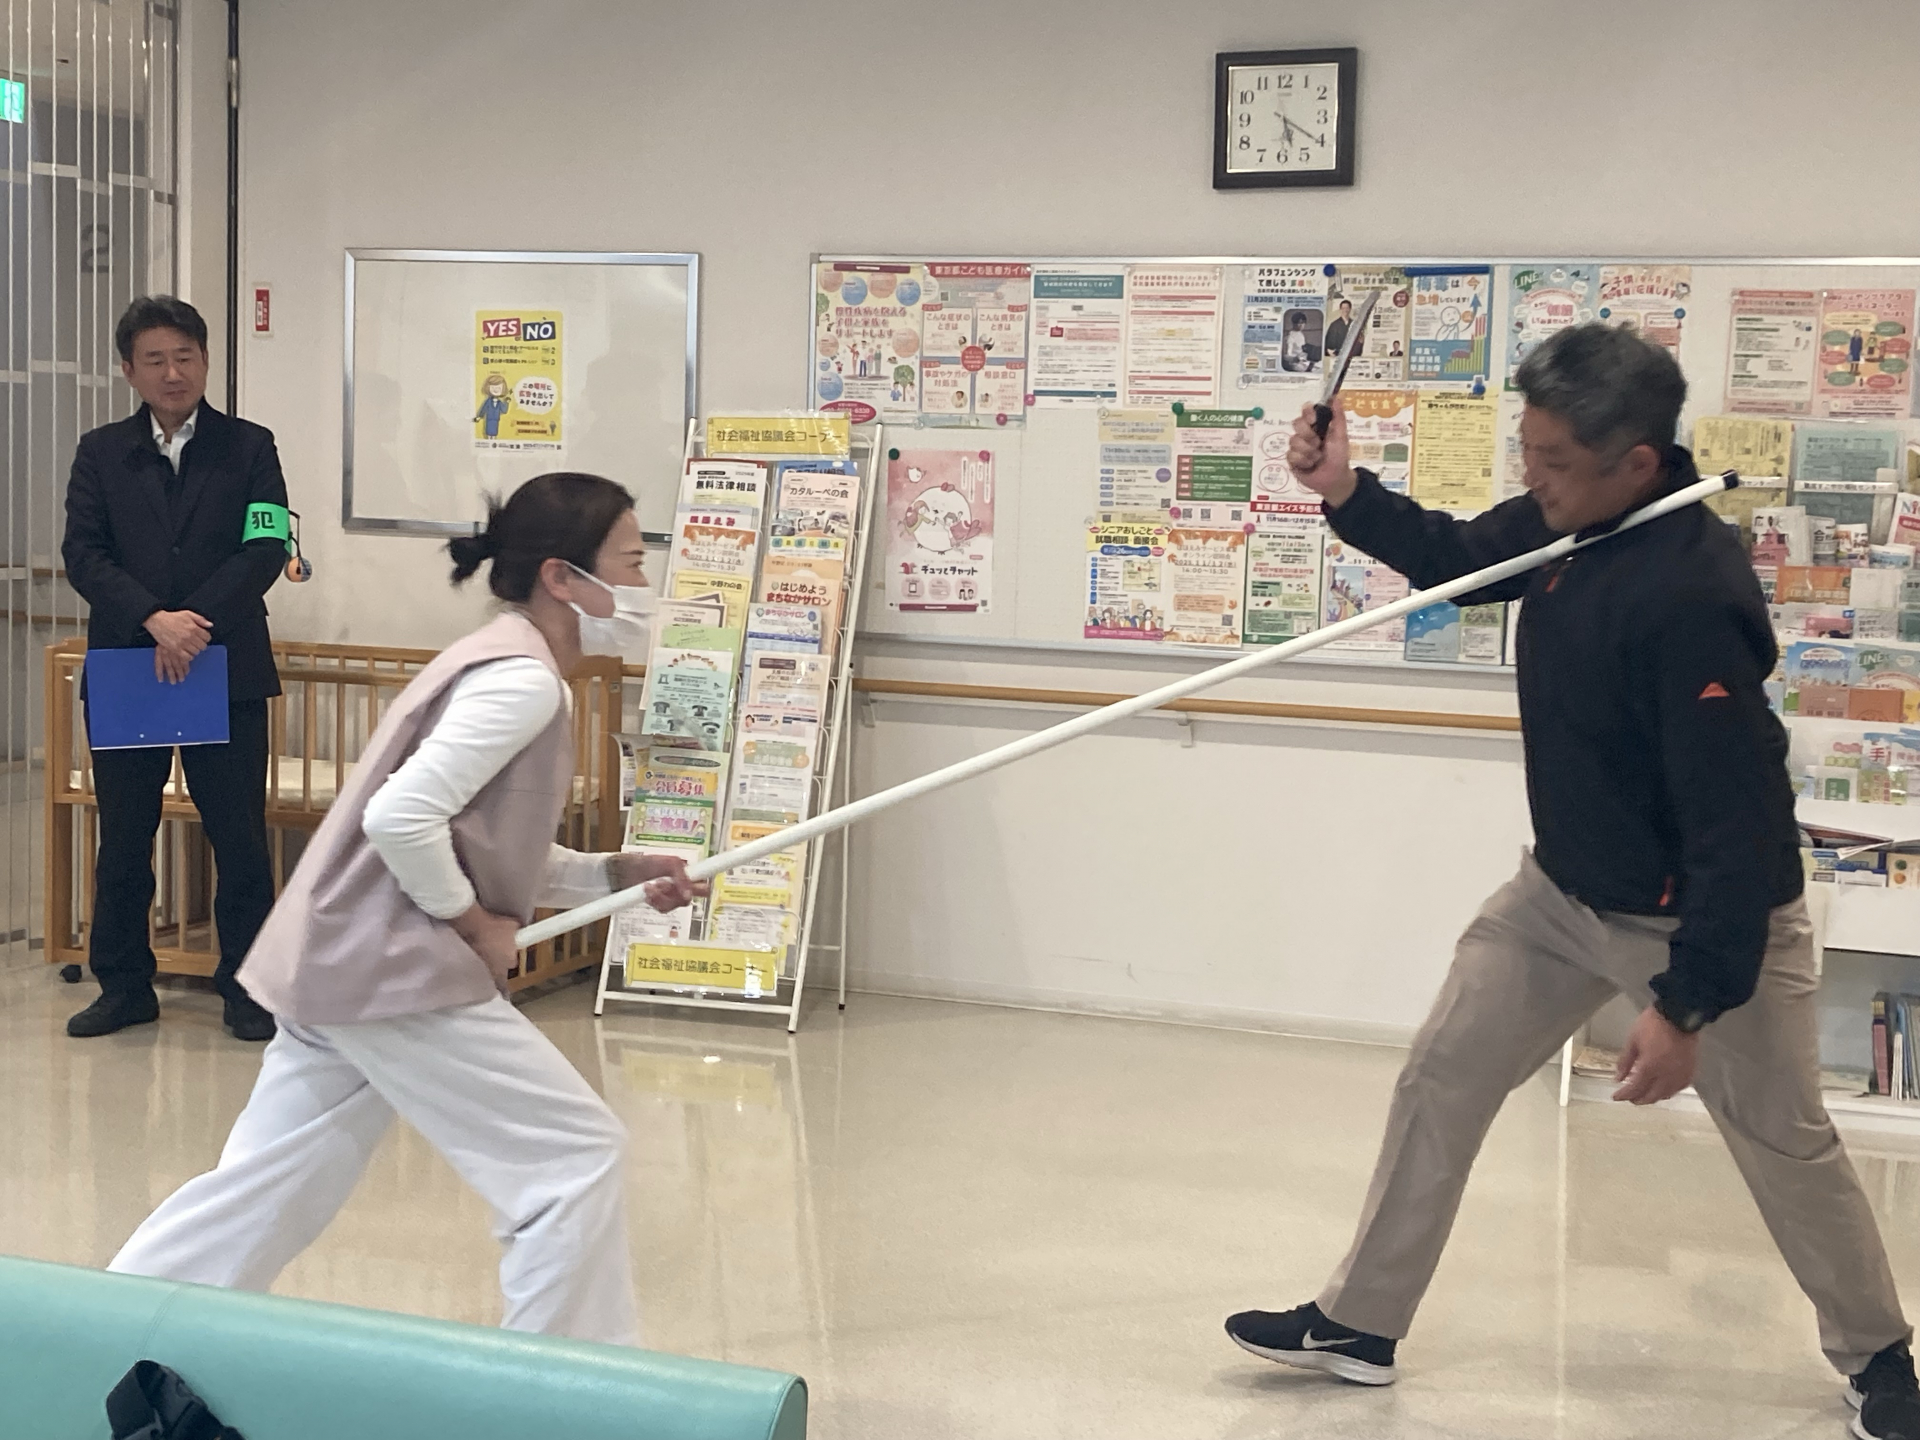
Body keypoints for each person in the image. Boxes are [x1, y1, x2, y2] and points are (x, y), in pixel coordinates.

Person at [1224, 324, 1920, 1440]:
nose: (1532, 477)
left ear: (1636, 460)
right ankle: (1361, 1324)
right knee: (1444, 1075)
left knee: (1785, 1141)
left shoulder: (1691, 593)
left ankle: (1879, 1353)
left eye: (1551, 460)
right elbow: (1459, 559)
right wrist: (1346, 489)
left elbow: (1736, 828)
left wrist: (1685, 1006)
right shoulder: (1573, 522)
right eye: (1528, 450)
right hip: (1559, 899)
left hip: (1707, 915)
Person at [107, 473, 703, 1345]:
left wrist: (616, 873)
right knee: (573, 1162)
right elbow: (401, 819)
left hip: (337, 957)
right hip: (395, 967)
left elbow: (477, 841)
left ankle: (113, 1335)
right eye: (630, 561)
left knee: (268, 1186)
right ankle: (561, 1386)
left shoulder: (497, 659)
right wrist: (475, 924)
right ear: (562, 578)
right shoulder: (522, 684)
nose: (643, 584)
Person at [62, 296, 287, 1041]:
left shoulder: (250, 446)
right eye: (155, 360)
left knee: (239, 839)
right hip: (132, 666)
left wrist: (193, 624)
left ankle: (248, 989)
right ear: (129, 370)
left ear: (206, 361)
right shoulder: (101, 452)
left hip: (225, 664)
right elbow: (83, 553)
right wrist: (154, 619)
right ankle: (124, 985)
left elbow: (266, 546)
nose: (172, 372)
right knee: (125, 837)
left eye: (185, 356)